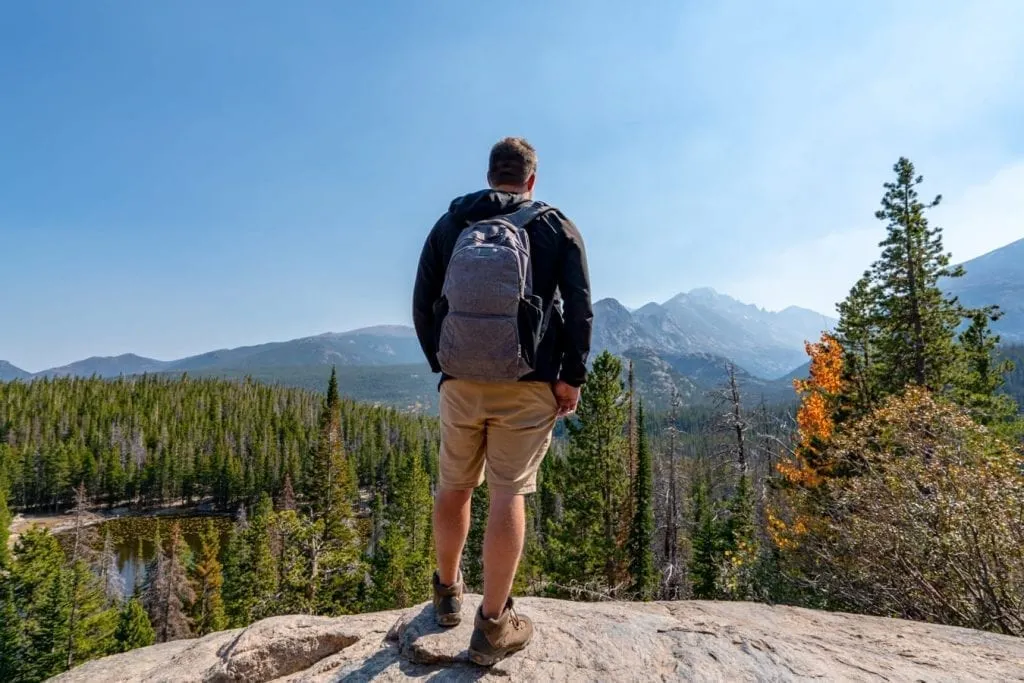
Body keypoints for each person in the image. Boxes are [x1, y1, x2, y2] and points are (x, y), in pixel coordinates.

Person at [412, 137, 592, 665]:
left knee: (454, 484)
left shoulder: (452, 225)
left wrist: (444, 366)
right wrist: (571, 377)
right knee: (508, 492)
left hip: (460, 381)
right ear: (531, 180)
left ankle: (446, 595)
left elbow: (423, 302)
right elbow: (580, 306)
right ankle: (492, 625)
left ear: (491, 175)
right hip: (529, 382)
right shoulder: (555, 225)